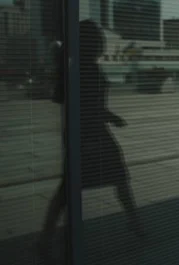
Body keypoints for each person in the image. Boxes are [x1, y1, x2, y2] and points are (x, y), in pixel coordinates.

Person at [38, 19, 144, 262]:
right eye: (98, 40)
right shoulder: (84, 70)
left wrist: (110, 116)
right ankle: (134, 222)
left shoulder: (80, 68)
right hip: (90, 135)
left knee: (72, 189)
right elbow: (85, 107)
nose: (101, 43)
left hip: (89, 133)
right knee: (115, 179)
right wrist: (105, 118)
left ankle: (45, 239)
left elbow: (85, 104)